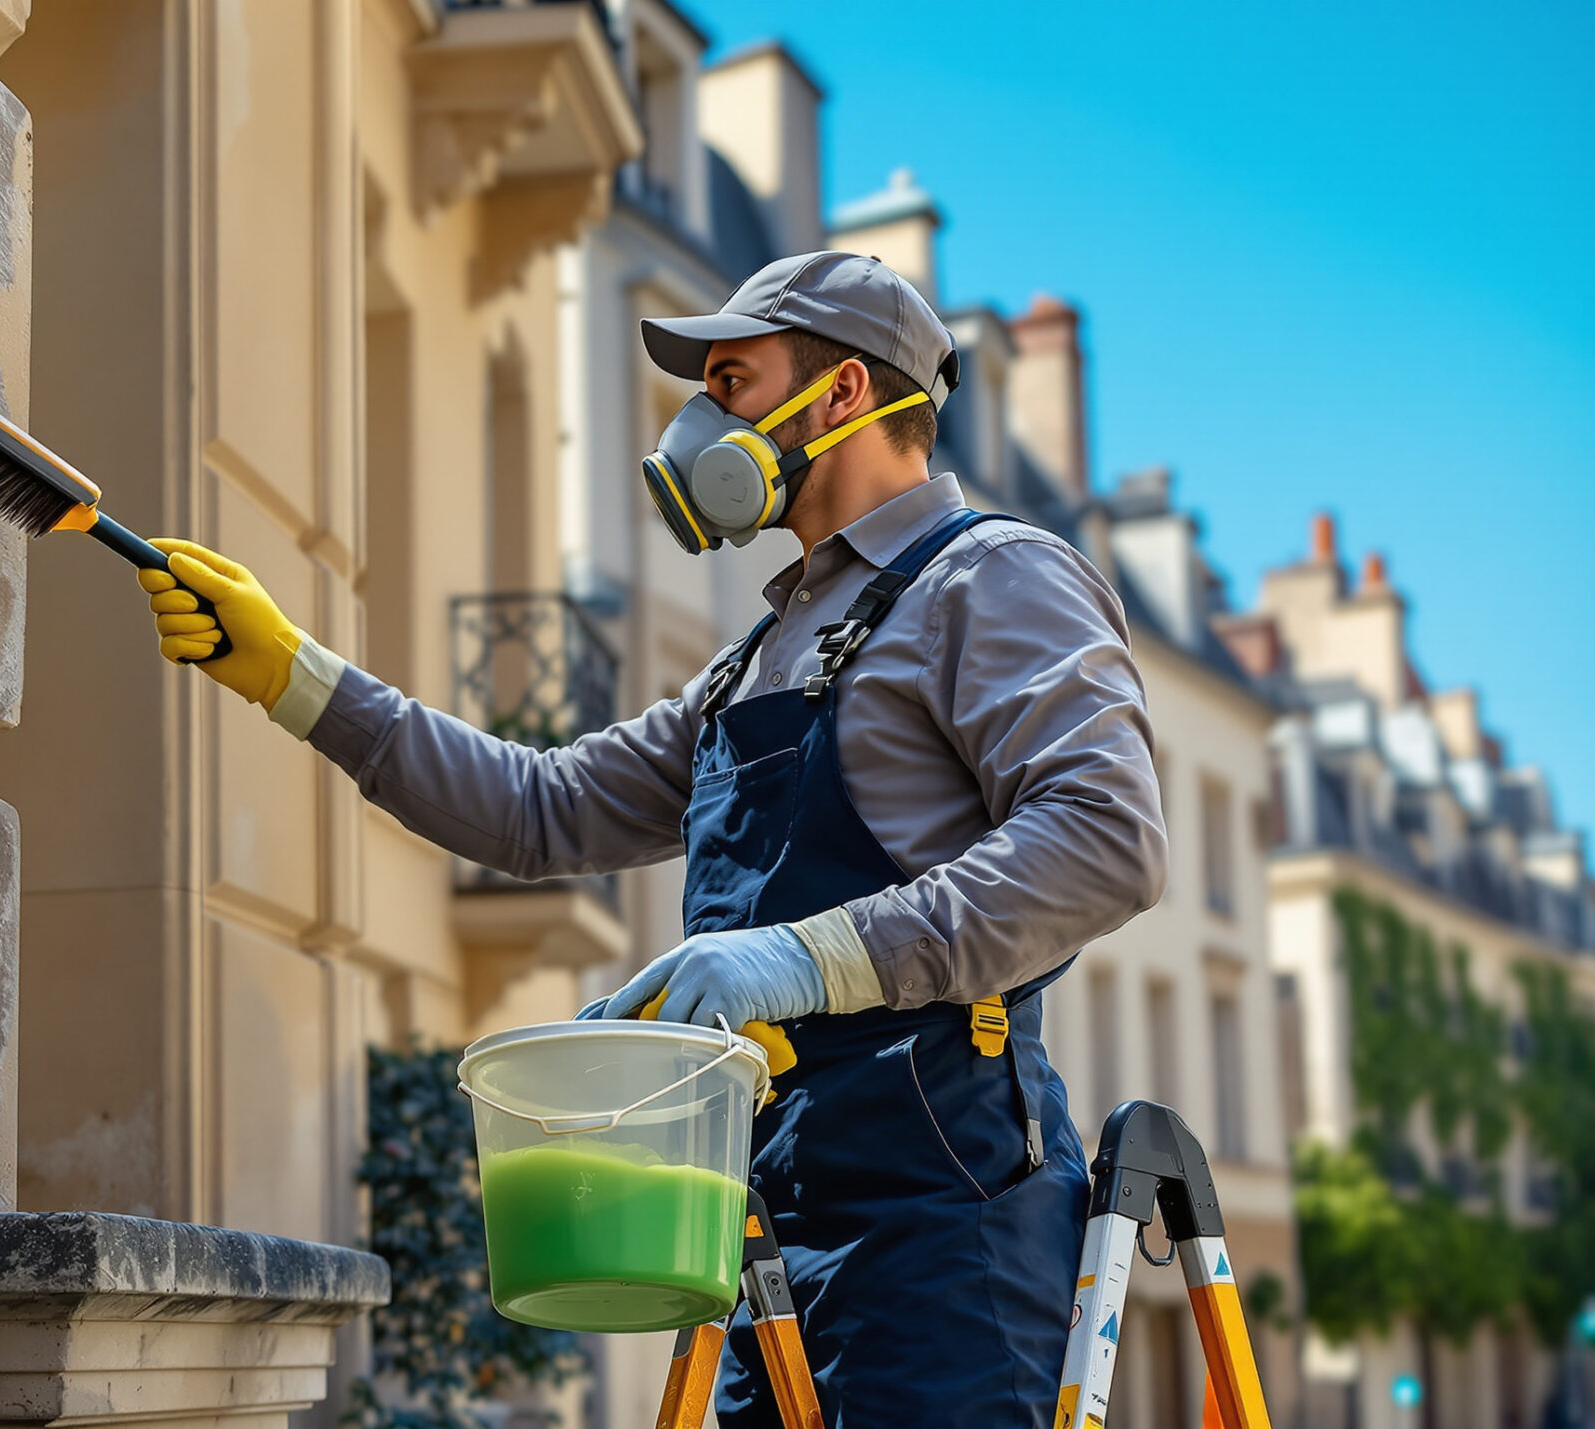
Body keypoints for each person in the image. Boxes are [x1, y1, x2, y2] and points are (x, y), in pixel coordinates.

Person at [132, 251, 1165, 1427]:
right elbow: (537, 808)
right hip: (759, 1224)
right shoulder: (752, 663)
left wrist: (794, 960)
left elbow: (1103, 839)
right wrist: (297, 678)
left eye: (732, 380)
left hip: (940, 1215)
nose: (699, 416)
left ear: (841, 397)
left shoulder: (995, 578)